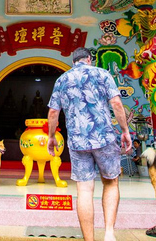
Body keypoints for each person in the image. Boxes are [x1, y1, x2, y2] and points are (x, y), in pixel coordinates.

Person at [47, 47, 132, 241]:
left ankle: (89, 239)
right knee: (110, 182)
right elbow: (117, 104)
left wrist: (51, 136)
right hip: (104, 138)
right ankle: (109, 233)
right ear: (89, 59)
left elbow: (53, 112)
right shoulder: (102, 73)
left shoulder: (62, 80)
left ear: (74, 61)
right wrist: (125, 130)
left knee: (84, 190)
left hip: (78, 142)